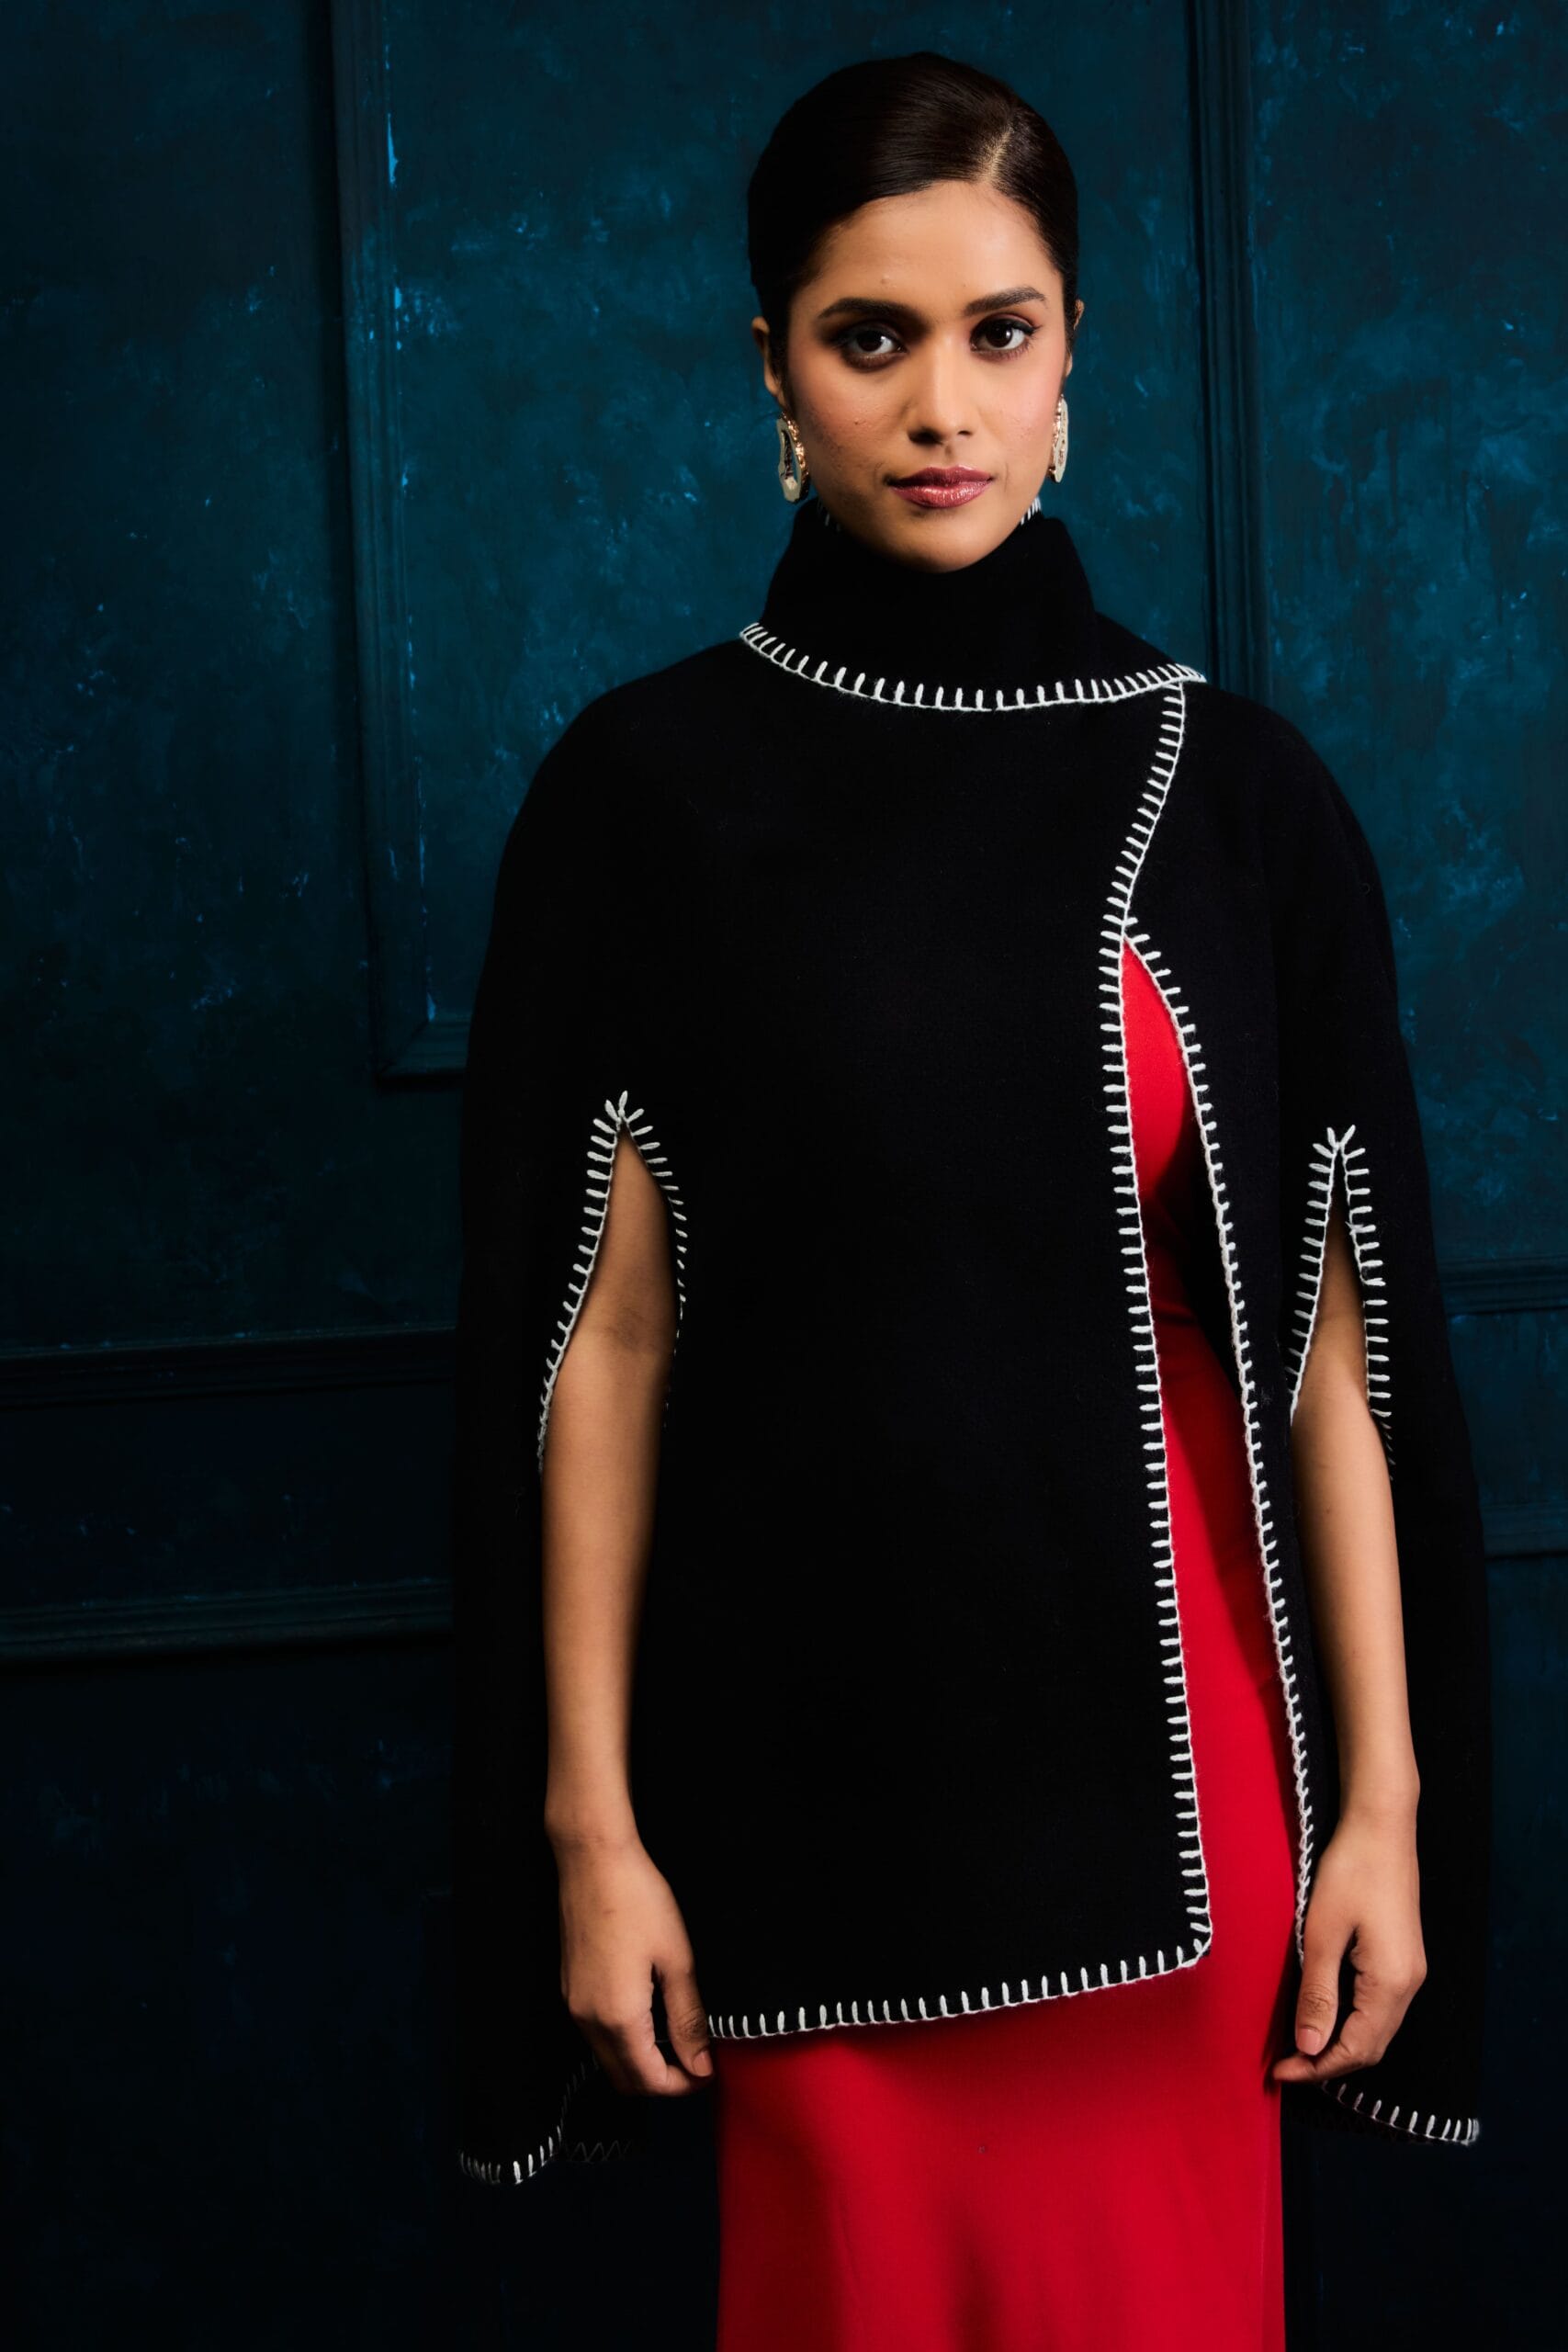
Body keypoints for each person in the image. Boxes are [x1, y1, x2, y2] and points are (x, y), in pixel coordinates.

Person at [450, 51, 1492, 2350]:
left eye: (996, 332)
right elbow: (601, 1341)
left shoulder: (1231, 792)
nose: (941, 404)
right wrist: (591, 1827)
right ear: (771, 365)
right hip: (804, 1801)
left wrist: (1381, 1810)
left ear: (1069, 353)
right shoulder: (646, 794)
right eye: (870, 336)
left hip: (1183, 1803)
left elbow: (1329, 1359)